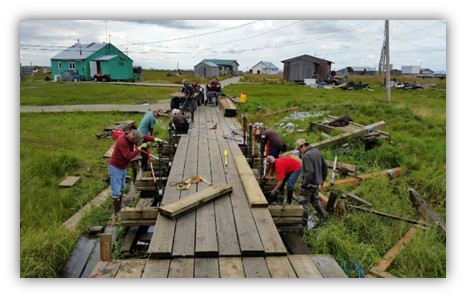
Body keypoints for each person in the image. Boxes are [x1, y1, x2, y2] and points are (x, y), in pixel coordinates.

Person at [108, 129, 154, 218]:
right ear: (133, 139)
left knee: (122, 187)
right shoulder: (122, 142)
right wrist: (139, 149)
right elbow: (128, 156)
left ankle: (120, 206)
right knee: (116, 190)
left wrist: (154, 138)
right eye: (136, 142)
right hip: (115, 167)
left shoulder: (133, 135)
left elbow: (144, 136)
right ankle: (117, 213)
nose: (137, 143)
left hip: (122, 167)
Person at [296, 138, 328, 222]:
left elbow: (309, 172)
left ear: (302, 146)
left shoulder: (306, 156)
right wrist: (323, 179)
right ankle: (324, 217)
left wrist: (304, 184)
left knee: (303, 203)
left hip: (309, 184)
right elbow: (325, 166)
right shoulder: (317, 151)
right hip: (316, 183)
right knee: (315, 201)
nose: (300, 152)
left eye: (299, 149)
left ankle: (303, 223)